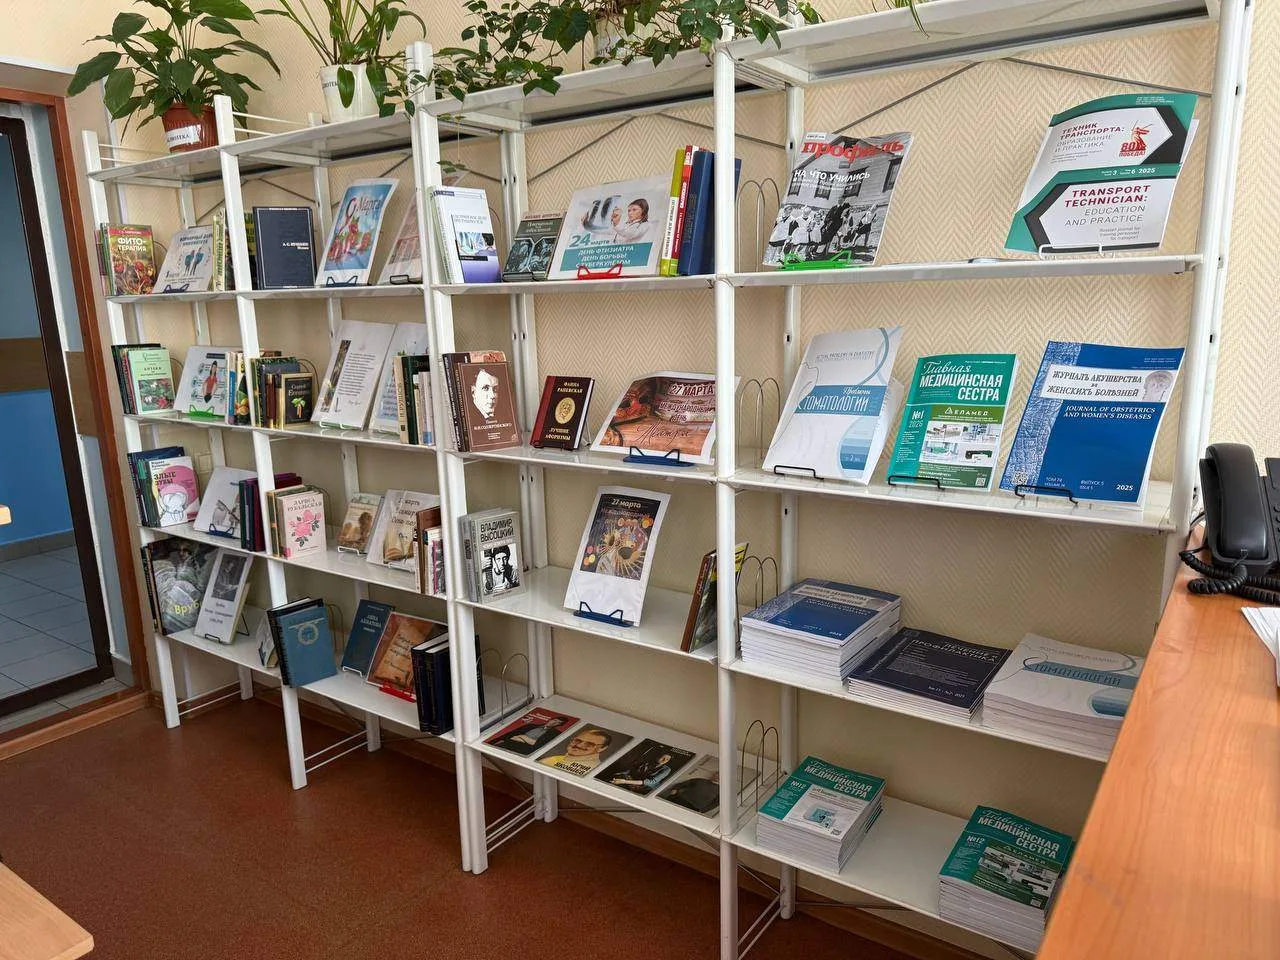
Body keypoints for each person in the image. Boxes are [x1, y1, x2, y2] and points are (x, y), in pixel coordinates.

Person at [605, 748, 684, 794]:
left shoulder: (666, 769)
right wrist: (620, 774)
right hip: (633, 780)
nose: (664, 760)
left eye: (667, 759)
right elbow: (630, 770)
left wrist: (625, 781)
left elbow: (650, 782)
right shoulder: (646, 762)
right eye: (663, 757)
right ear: (658, 756)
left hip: (647, 787)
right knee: (613, 778)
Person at [540, 727, 613, 774]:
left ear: (602, 748)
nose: (579, 745)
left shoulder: (593, 770)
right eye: (578, 740)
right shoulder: (552, 759)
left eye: (590, 744)